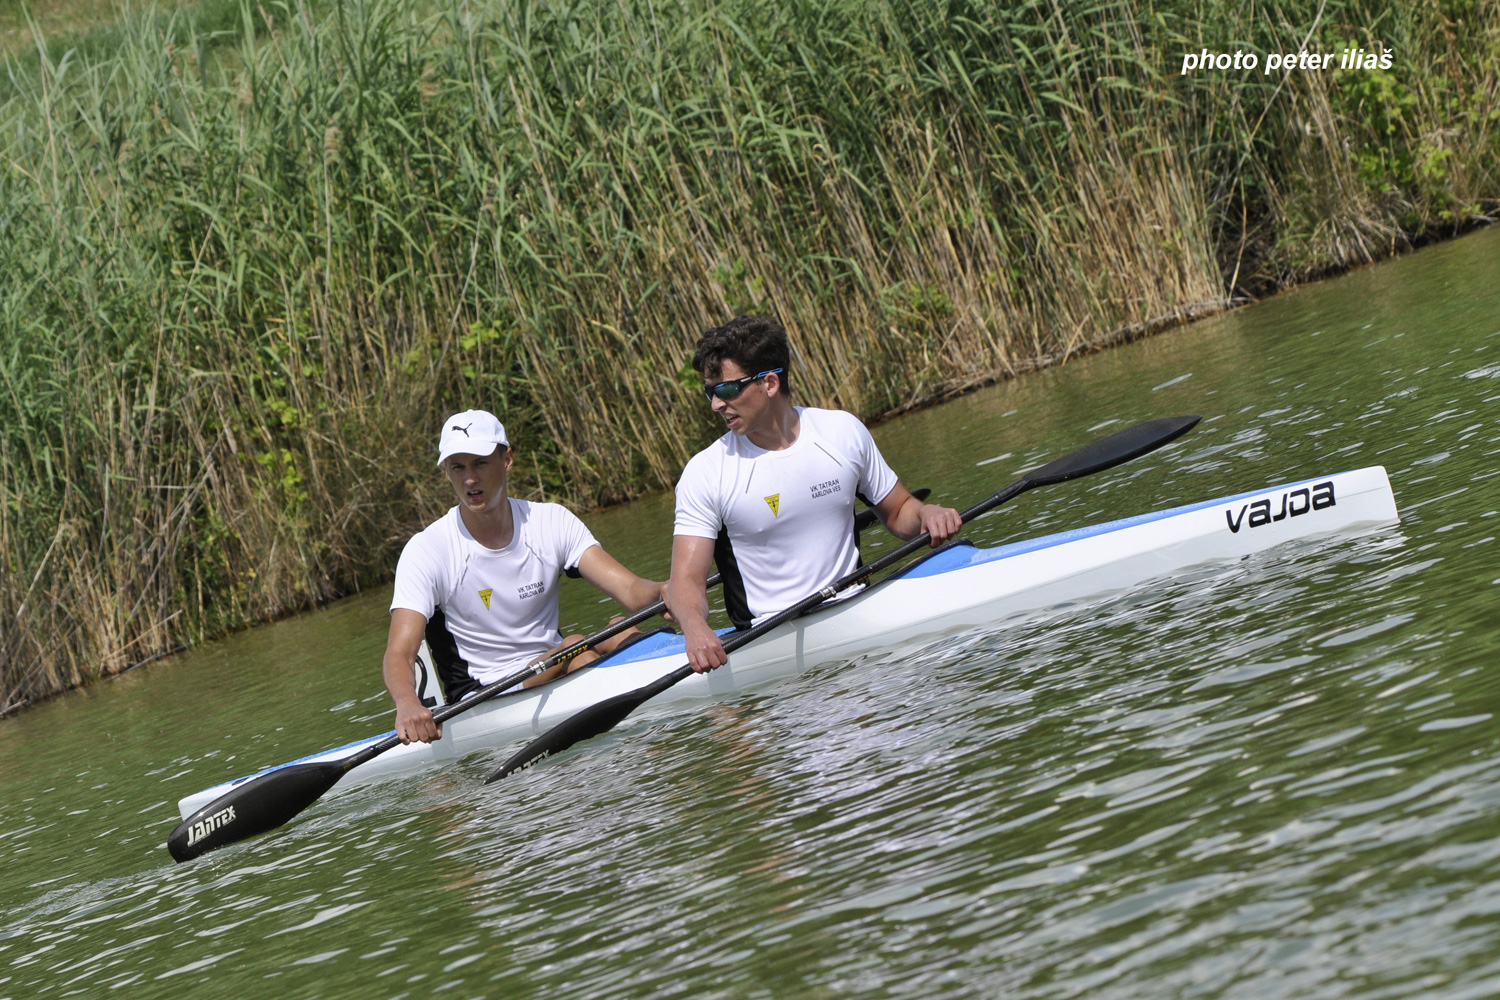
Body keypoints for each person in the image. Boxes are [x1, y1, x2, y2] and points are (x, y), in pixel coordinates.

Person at [666, 315, 963, 674]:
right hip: (771, 643)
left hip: (857, 610)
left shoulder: (841, 432)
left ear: (770, 383)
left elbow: (899, 510)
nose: (715, 404)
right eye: (708, 392)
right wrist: (695, 628)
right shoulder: (707, 472)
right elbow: (687, 579)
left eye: (726, 390)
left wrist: (928, 513)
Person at [383, 409, 664, 744]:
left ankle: (647, 734)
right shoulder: (427, 550)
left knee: (622, 627)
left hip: (556, 661)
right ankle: (645, 741)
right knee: (576, 647)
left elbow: (632, 591)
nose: (469, 478)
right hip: (485, 695)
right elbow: (399, 652)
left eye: (480, 463)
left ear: (507, 460)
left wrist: (666, 590)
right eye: (458, 467)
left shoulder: (550, 521)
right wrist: (407, 703)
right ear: (447, 471)